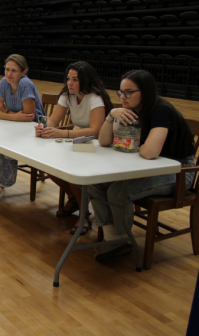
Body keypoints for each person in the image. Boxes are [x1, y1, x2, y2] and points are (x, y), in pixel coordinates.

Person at [88, 70, 196, 261]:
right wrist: (111, 115)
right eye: (121, 92)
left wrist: (128, 141)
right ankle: (115, 238)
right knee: (94, 183)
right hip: (149, 166)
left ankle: (120, 240)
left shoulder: (160, 110)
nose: (123, 97)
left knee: (118, 191)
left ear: (145, 91)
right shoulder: (129, 110)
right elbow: (104, 141)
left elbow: (149, 152)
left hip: (178, 170)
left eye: (129, 92)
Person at [34, 61, 113, 235]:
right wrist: (43, 128)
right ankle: (75, 199)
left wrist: (63, 134)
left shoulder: (95, 98)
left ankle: (84, 214)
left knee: (71, 171)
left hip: (100, 146)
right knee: (49, 166)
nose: (69, 83)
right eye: (68, 79)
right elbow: (54, 120)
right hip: (80, 141)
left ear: (85, 80)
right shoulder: (67, 95)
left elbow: (96, 131)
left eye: (74, 79)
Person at [0, 54, 45, 205]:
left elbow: (29, 117)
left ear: (24, 72)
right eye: (7, 69)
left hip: (32, 131)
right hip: (15, 126)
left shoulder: (25, 84)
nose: (9, 74)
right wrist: (11, 115)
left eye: (14, 71)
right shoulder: (4, 82)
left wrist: (5, 112)